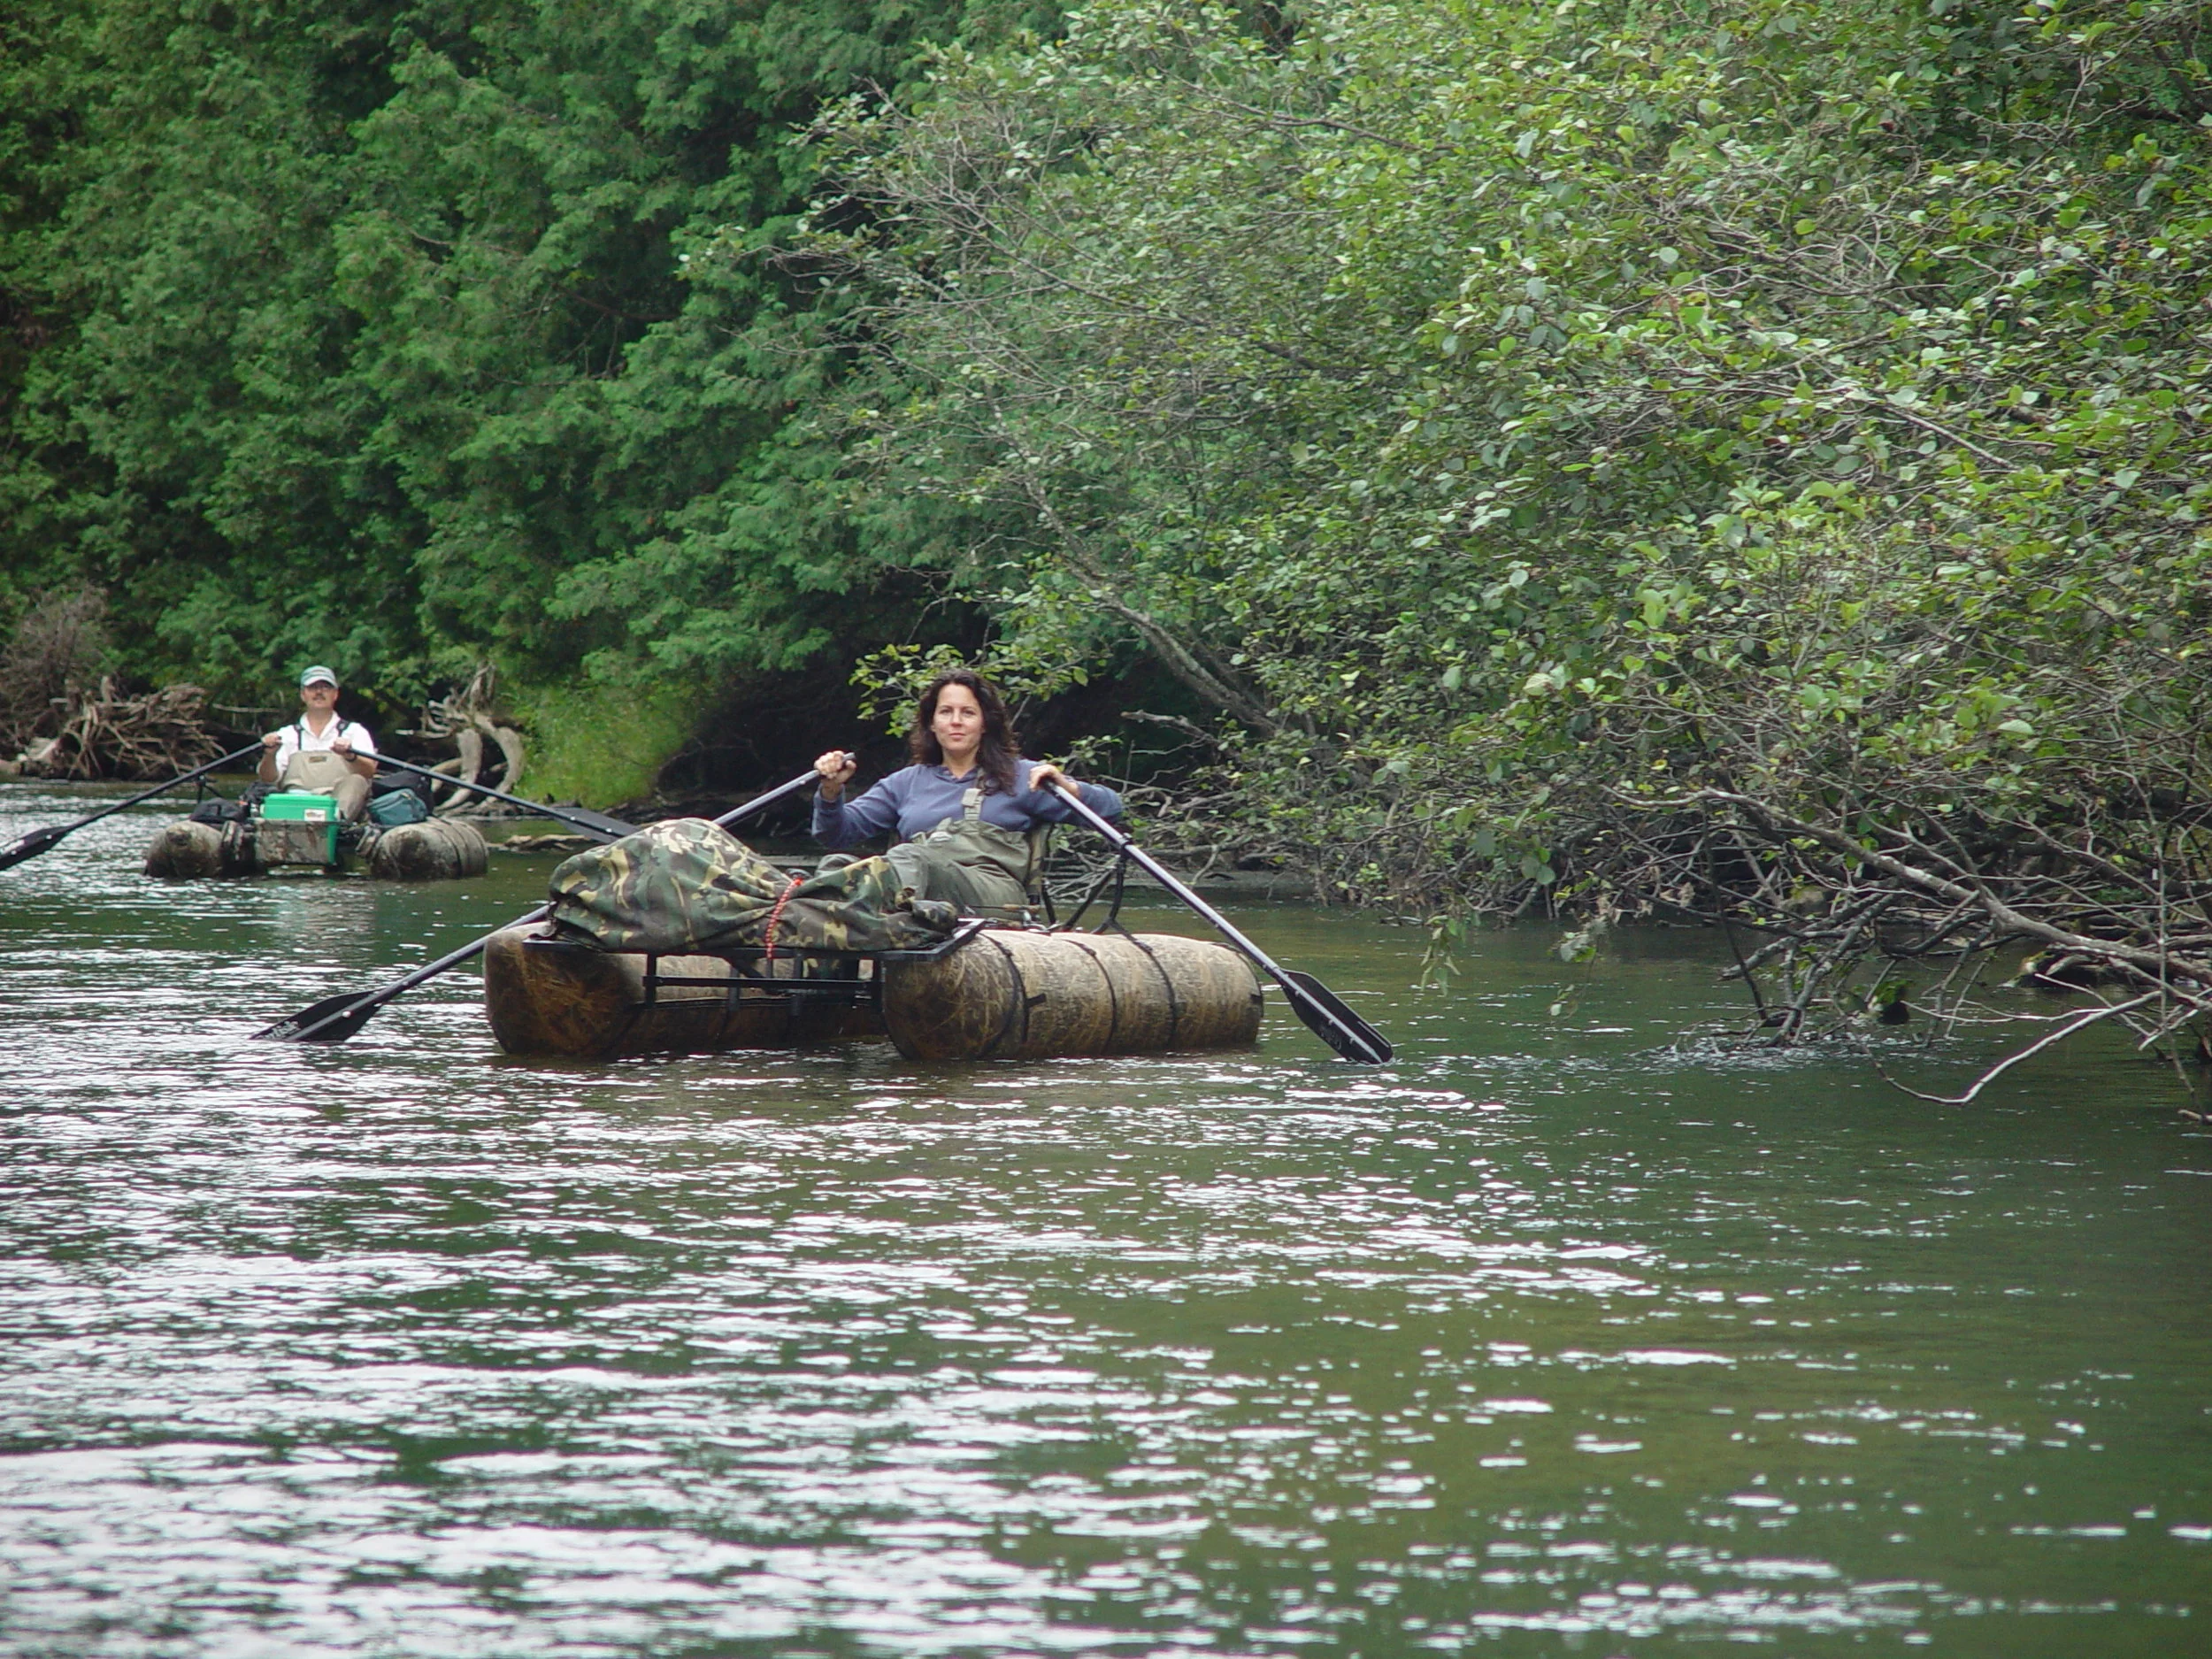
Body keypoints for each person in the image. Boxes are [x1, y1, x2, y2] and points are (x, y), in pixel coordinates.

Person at [813, 669, 1123, 917]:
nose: (956, 722)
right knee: (836, 865)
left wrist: (1069, 788)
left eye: (968, 713)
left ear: (985, 723)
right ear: (932, 724)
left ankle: (888, 923)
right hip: (922, 894)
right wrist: (831, 789)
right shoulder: (905, 783)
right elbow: (835, 835)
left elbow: (1112, 810)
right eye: (946, 712)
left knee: (910, 856)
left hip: (995, 899)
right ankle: (823, 980)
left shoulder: (1024, 777)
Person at [258, 664, 379, 821]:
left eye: (325, 688)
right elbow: (268, 779)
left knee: (357, 781)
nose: (319, 692)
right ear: (303, 695)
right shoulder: (286, 735)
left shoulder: (355, 732)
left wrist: (350, 756)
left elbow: (368, 772)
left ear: (335, 694)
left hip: (339, 806)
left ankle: (335, 821)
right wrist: (270, 755)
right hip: (296, 805)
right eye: (313, 688)